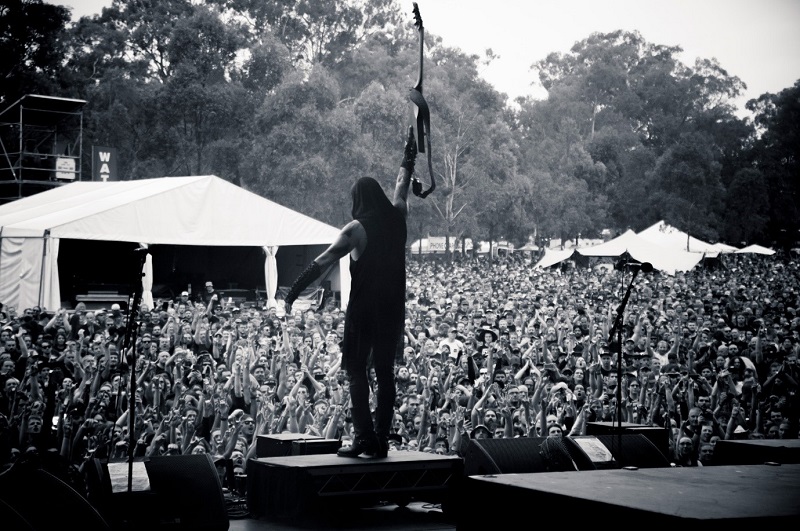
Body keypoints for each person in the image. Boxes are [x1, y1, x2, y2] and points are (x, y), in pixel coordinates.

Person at [284, 127, 416, 458]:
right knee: (385, 375)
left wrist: (292, 294)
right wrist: (409, 154)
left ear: (358, 198)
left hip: (363, 311)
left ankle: (363, 439)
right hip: (390, 311)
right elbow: (401, 185)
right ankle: (382, 440)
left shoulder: (356, 229)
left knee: (356, 371)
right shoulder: (399, 215)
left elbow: (323, 261)